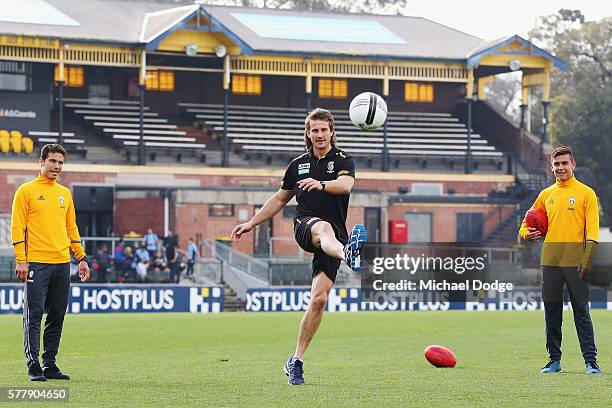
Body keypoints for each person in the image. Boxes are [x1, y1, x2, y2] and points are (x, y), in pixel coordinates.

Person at [230, 108, 366, 386]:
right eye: (314, 130)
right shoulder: (297, 165)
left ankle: (296, 361)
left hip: (334, 237)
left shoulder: (343, 160)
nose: (319, 134)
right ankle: (348, 253)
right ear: (307, 133)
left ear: (332, 132)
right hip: (306, 226)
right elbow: (279, 200)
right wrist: (251, 224)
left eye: (323, 129)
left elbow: (345, 186)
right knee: (323, 228)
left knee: (319, 300)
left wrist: (321, 183)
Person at [11, 144, 90, 382]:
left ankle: (50, 364)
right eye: (53, 161)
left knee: (57, 315)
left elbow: (71, 228)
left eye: (60, 163)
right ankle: (33, 364)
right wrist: (21, 260)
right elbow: (17, 228)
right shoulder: (26, 191)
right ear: (41, 162)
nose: (57, 166)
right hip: (36, 263)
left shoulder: (64, 193)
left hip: (61, 263)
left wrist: (81, 257)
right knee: (34, 315)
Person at [519, 145, 601, 374]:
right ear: (551, 167)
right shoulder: (545, 195)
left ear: (573, 165)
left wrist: (587, 259)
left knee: (581, 312)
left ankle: (591, 362)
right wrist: (527, 233)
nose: (560, 168)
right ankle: (554, 360)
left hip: (577, 262)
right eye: (556, 164)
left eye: (565, 163)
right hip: (551, 262)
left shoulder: (587, 193)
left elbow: (593, 231)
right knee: (552, 312)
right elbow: (525, 224)